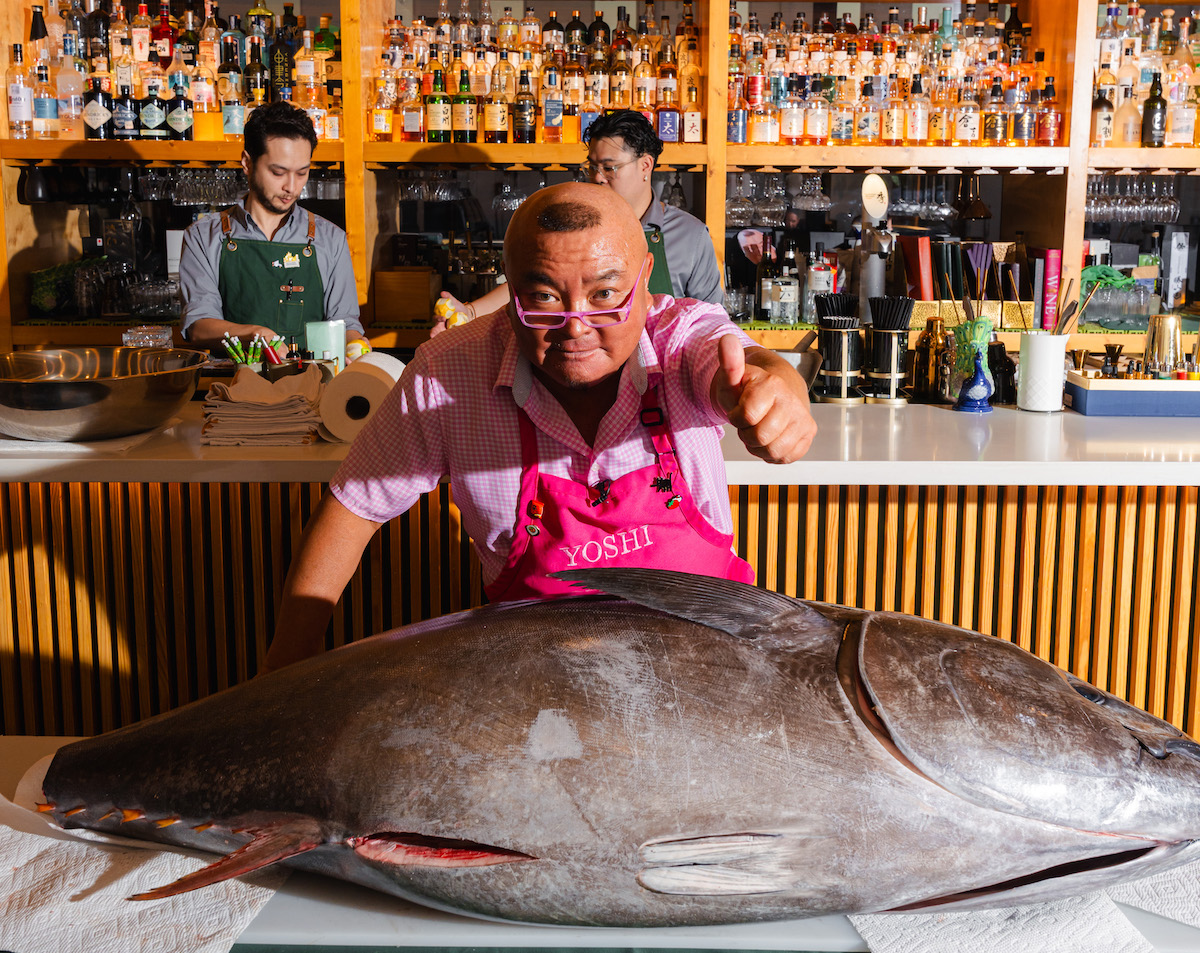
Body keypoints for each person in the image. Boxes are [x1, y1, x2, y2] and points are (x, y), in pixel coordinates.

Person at [263, 182, 816, 672]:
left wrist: (775, 387)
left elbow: (736, 363)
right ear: (510, 290)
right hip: (534, 689)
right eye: (545, 297)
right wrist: (288, 664)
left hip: (709, 665)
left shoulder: (681, 337)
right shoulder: (448, 373)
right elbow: (354, 508)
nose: (575, 326)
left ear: (645, 280)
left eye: (605, 295)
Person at [432, 109, 723, 333]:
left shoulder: (690, 235)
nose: (597, 177)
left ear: (645, 165)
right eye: (592, 166)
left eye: (609, 168)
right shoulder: (576, 225)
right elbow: (535, 288)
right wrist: (469, 313)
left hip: (662, 376)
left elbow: (711, 323)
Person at [179, 101, 367, 356]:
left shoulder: (330, 238)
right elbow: (198, 327)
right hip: (233, 388)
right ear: (247, 162)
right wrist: (255, 336)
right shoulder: (204, 236)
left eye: (302, 173)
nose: (292, 186)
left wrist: (356, 344)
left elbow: (345, 324)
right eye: (278, 172)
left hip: (311, 387)